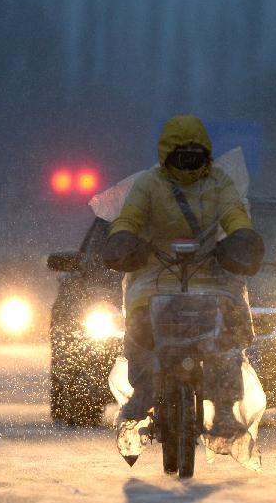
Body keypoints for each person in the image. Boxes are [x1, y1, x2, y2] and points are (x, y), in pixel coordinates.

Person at [101, 115, 265, 464]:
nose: (188, 160)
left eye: (194, 153)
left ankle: (223, 408)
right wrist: (124, 238)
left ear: (204, 152)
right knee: (140, 328)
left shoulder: (219, 182)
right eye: (181, 153)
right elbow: (129, 216)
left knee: (227, 337)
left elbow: (235, 215)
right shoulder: (149, 184)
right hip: (154, 275)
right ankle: (142, 395)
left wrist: (241, 238)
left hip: (210, 273)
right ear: (167, 153)